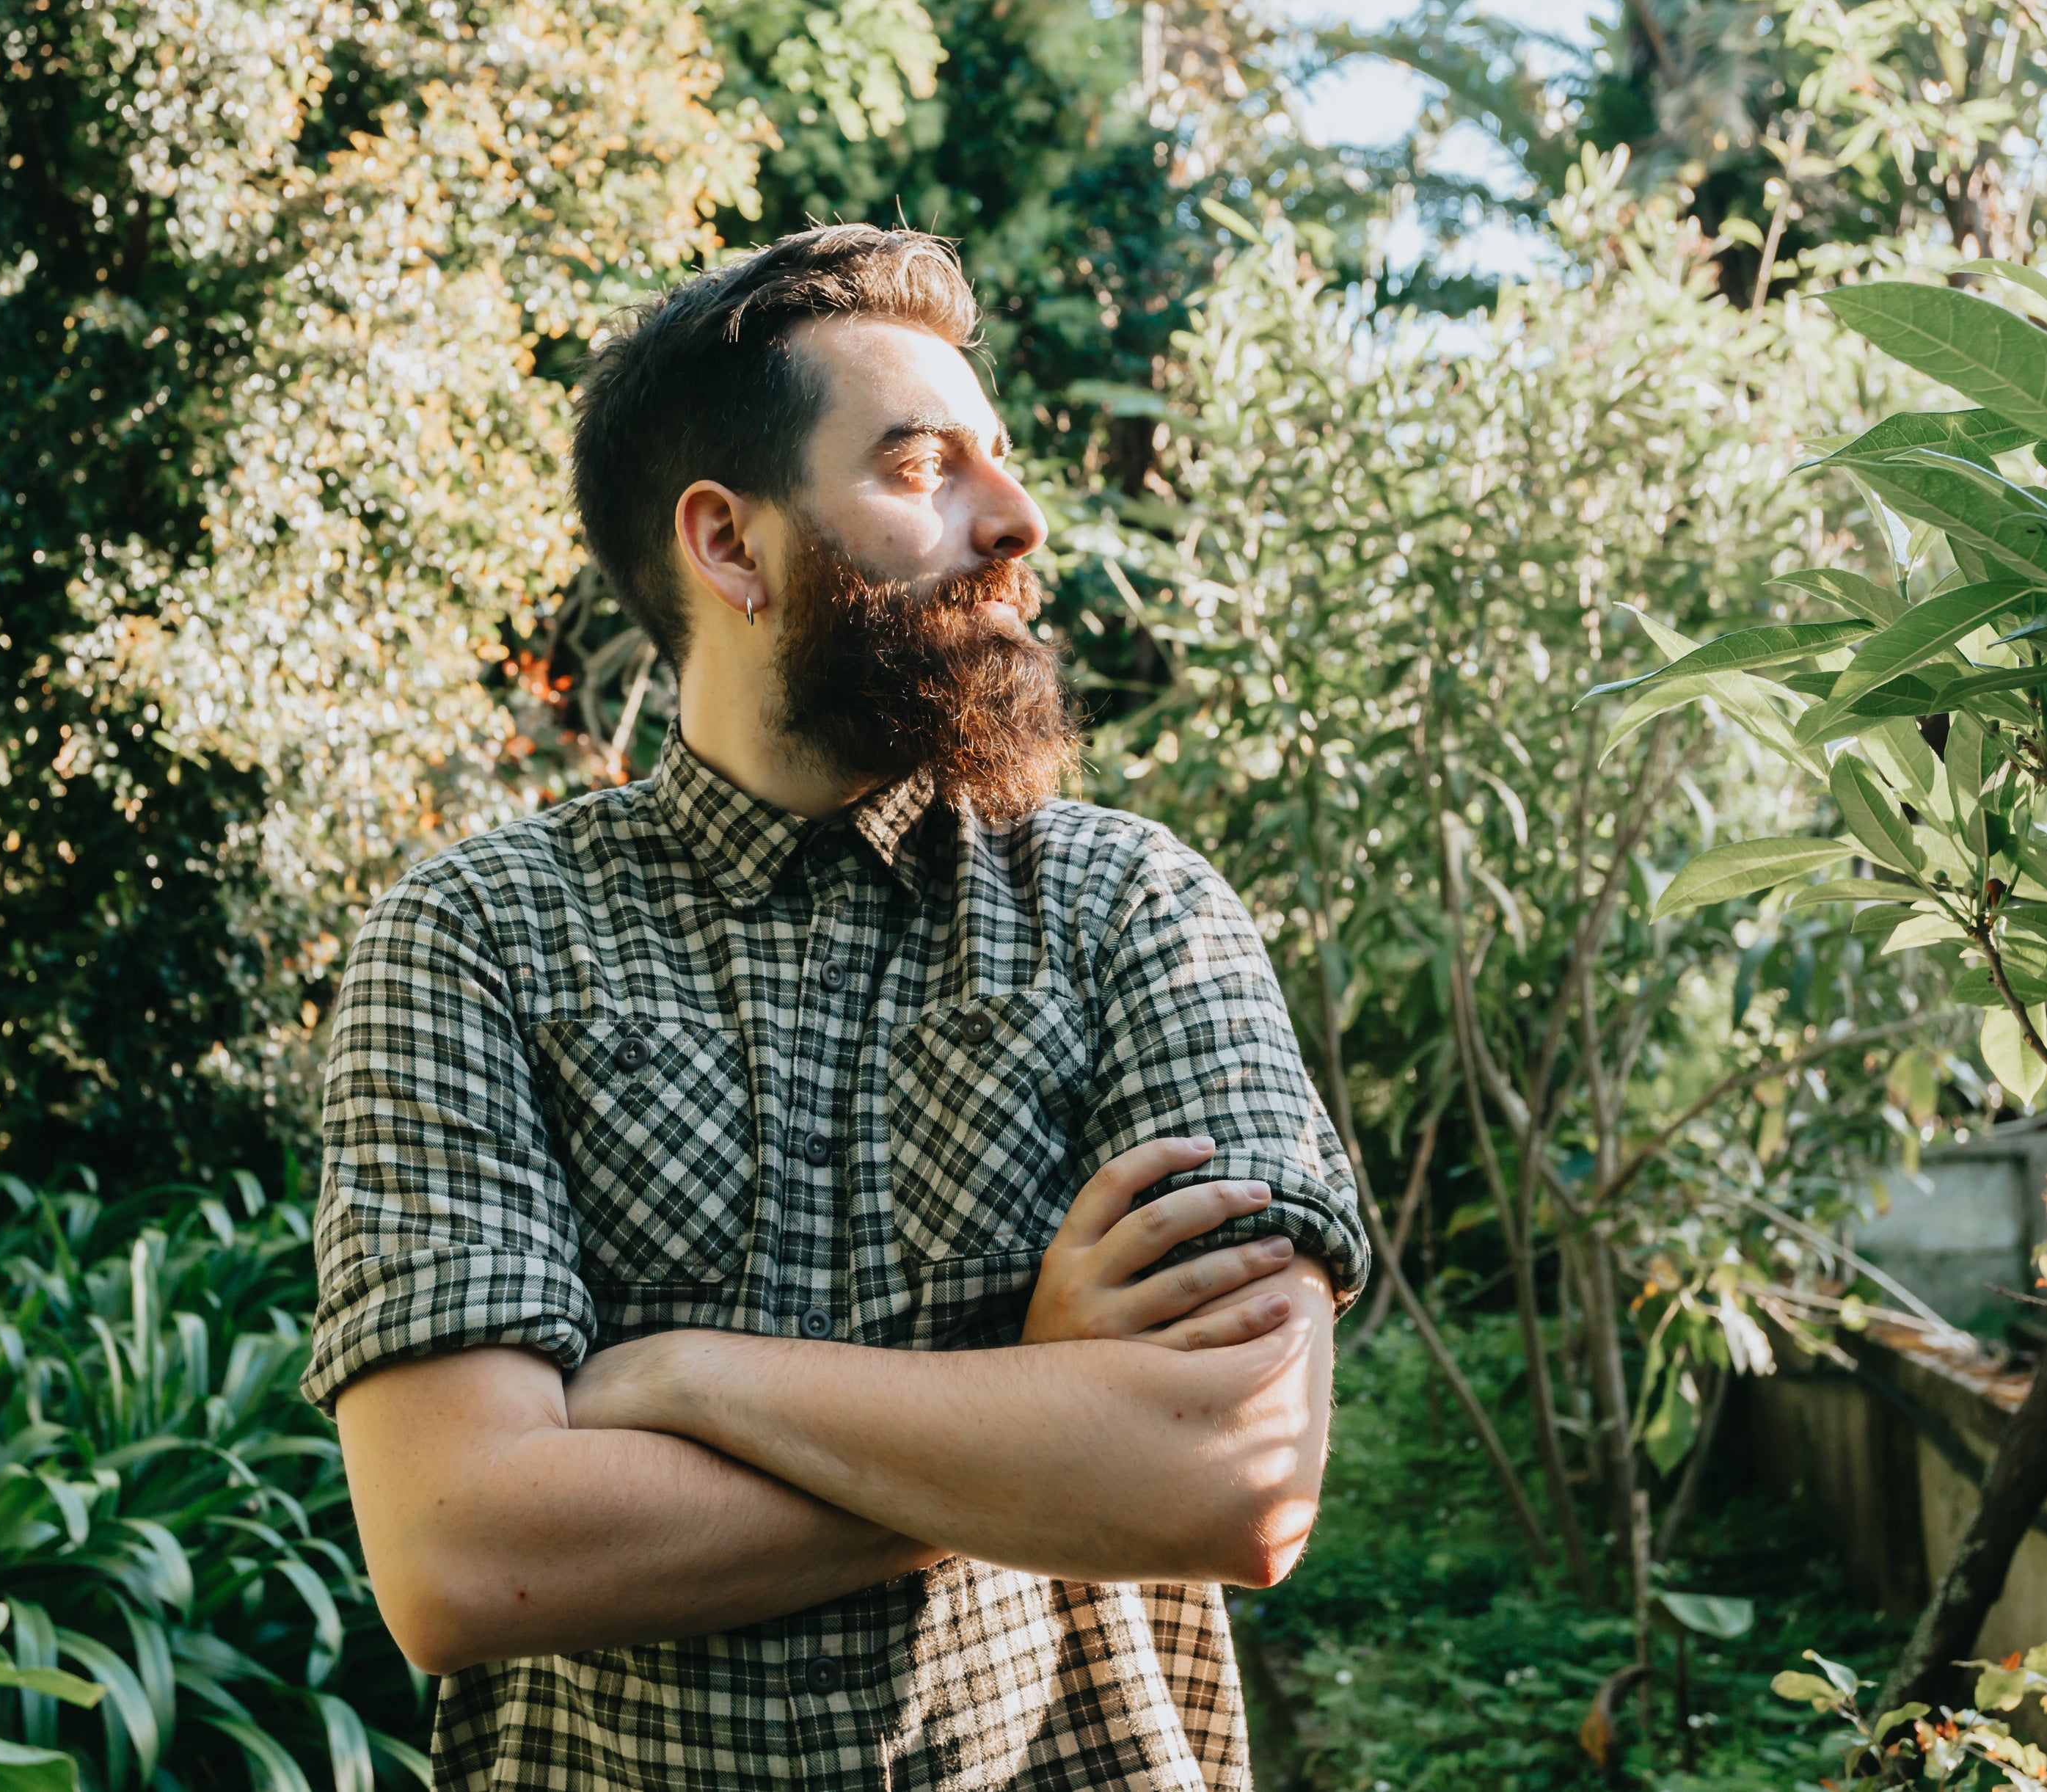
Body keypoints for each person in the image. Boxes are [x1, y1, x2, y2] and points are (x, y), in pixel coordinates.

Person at [303, 225, 1370, 1791]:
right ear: (729, 546)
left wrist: (680, 1377)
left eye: (998, 463)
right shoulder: (474, 941)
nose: (1015, 520)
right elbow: (469, 1558)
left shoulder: (1134, 909)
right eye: (923, 467)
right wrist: (1032, 1411)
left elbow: (1238, 1482)